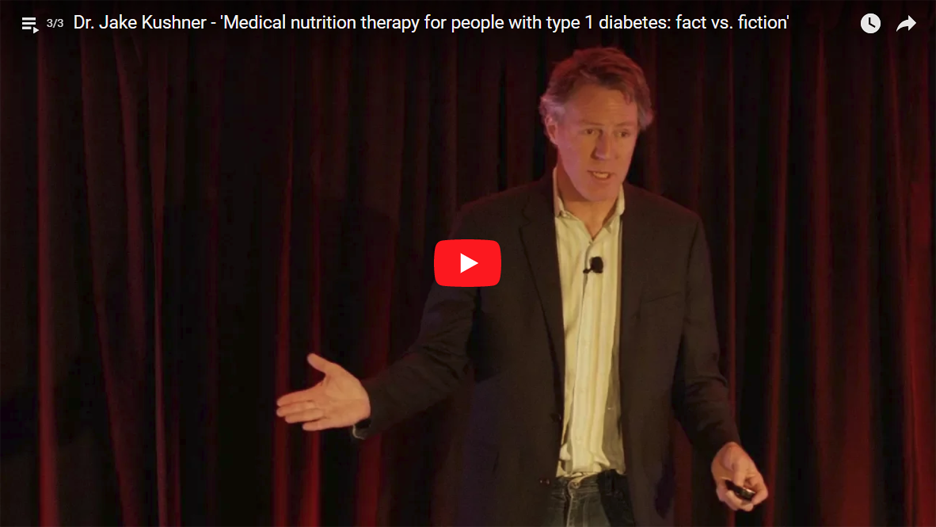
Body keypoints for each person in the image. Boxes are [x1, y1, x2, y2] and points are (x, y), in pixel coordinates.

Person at [276, 46, 769, 527]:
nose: (607, 151)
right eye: (590, 130)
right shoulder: (481, 227)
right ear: (552, 126)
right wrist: (371, 399)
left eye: (622, 133)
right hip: (515, 503)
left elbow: (697, 377)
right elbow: (440, 355)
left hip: (627, 505)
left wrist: (724, 444)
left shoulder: (677, 234)